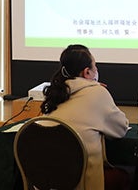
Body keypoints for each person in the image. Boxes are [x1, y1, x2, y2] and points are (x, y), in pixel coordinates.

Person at [41, 44, 130, 190]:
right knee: (125, 175)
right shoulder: (98, 92)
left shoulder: (55, 93)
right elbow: (121, 129)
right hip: (83, 181)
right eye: (95, 67)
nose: (97, 70)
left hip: (47, 181)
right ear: (87, 72)